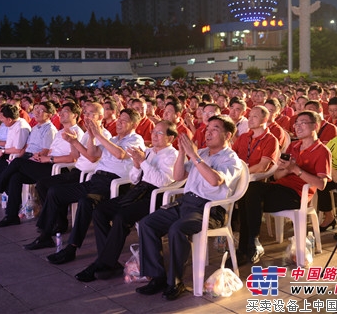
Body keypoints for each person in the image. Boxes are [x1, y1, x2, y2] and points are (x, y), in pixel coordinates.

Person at [135, 115, 243, 301]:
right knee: (147, 223)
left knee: (177, 229)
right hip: (186, 203)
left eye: (214, 129)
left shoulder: (231, 158)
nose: (208, 133)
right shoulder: (201, 152)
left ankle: (175, 282)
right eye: (207, 129)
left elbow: (215, 181)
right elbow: (178, 176)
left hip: (210, 209)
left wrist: (194, 156)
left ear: (228, 135)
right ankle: (157, 276)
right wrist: (183, 153)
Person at [23, 109, 144, 265]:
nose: (119, 123)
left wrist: (99, 134)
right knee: (55, 191)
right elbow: (93, 154)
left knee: (85, 202)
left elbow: (120, 155)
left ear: (133, 124)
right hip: (96, 179)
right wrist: (92, 137)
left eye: (123, 120)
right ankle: (45, 235)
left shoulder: (136, 139)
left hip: (113, 184)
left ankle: (71, 248)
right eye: (119, 119)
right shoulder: (113, 139)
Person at [74, 120, 178, 282]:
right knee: (100, 211)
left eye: (159, 133)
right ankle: (108, 260)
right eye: (153, 132)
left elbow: (161, 182)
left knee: (120, 217)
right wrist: (137, 164)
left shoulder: (172, 155)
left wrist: (143, 162)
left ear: (170, 138)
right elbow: (135, 179)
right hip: (138, 191)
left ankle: (102, 263)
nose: (154, 136)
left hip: (155, 196)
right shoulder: (149, 151)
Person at [237, 110, 332, 264]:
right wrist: (288, 169)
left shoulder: (322, 151)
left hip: (297, 195)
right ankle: (248, 246)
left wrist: (296, 170)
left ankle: (249, 245)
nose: (298, 127)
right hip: (279, 189)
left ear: (315, 126)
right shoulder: (293, 146)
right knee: (247, 192)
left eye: (303, 123)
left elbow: (321, 185)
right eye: (296, 123)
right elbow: (277, 176)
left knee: (251, 193)